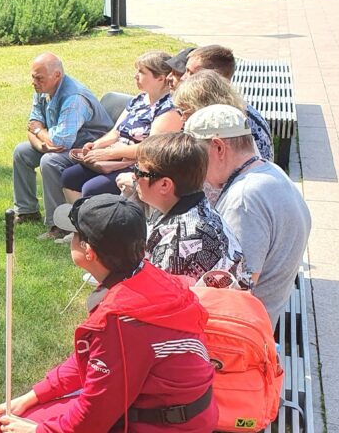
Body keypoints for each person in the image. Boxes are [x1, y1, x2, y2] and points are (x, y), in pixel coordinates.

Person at [0, 194, 216, 433]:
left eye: (72, 233)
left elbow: (94, 417)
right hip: (159, 425)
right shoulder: (142, 277)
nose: (69, 239)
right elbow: (88, 363)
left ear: (89, 251)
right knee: (15, 422)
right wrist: (30, 398)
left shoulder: (123, 321)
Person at [185, 105, 311, 329]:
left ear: (218, 147)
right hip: (257, 319)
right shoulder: (269, 170)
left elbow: (236, 288)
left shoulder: (243, 200)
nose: (195, 167)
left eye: (195, 156)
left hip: (239, 334)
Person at [59, 52, 183, 220]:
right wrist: (96, 146)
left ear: (160, 78)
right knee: (69, 177)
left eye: (141, 72)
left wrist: (110, 153)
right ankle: (80, 225)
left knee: (92, 188)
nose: (135, 76)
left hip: (136, 164)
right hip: (113, 158)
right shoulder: (139, 100)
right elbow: (116, 132)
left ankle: (95, 231)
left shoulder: (169, 108)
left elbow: (151, 149)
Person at [12, 52, 111, 240]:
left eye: (39, 78)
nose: (34, 82)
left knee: (50, 162)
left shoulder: (74, 97)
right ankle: (27, 211)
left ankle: (59, 224)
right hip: (60, 144)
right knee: (22, 152)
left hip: (88, 149)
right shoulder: (43, 90)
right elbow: (32, 123)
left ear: (56, 75)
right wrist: (42, 145)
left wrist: (40, 134)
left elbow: (59, 141)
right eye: (33, 77)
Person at [133, 132, 251, 286]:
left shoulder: (182, 239)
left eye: (139, 172)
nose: (134, 176)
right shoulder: (194, 207)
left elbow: (157, 298)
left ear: (164, 185)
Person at [183, 45, 274, 162]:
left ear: (214, 78)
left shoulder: (227, 118)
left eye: (191, 73)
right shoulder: (226, 105)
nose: (183, 78)